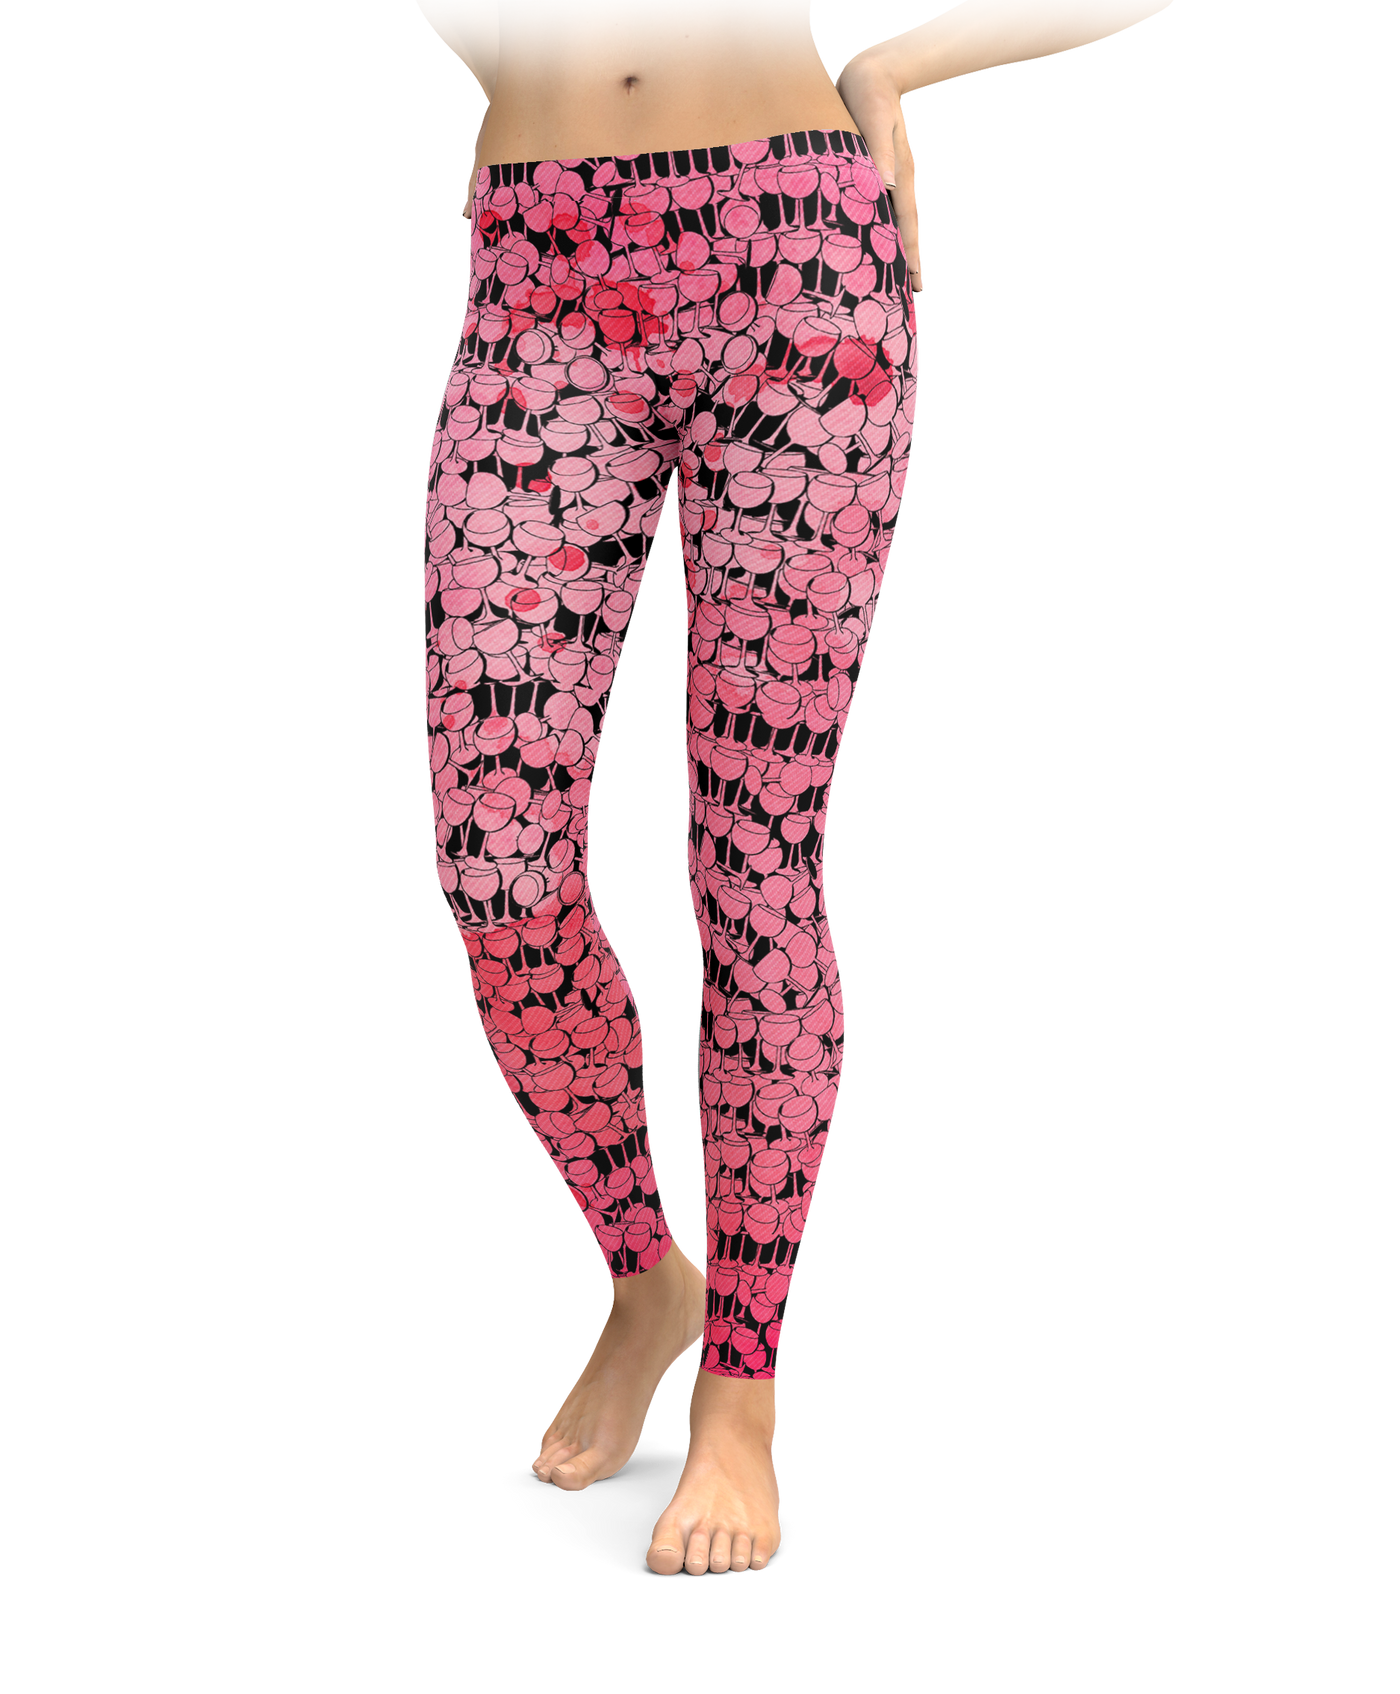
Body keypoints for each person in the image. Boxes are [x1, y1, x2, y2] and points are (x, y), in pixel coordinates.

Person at [415, 0, 1175, 1578]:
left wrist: (892, 67)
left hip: (794, 256)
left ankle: (744, 1387)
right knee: (496, 872)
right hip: (538, 270)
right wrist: (514, 83)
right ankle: (648, 1277)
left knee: (755, 864)